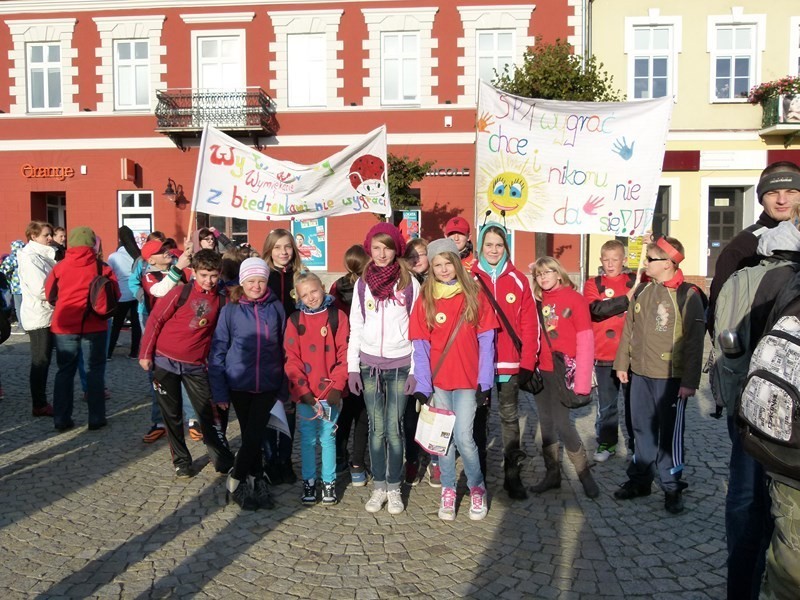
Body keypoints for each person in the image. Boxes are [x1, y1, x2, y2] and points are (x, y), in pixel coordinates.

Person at [712, 162, 800, 598]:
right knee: (749, 500)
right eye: (773, 192)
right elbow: (721, 323)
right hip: (752, 396)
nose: (783, 199)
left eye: (792, 191)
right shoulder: (742, 249)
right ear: (762, 196)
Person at [613, 237, 705, 514]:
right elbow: (628, 329)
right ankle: (640, 479)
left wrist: (689, 381)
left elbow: (694, 342)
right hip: (640, 374)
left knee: (669, 436)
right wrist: (622, 363)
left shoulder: (688, 295)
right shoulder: (641, 290)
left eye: (650, 259)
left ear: (668, 263)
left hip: (670, 378)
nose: (645, 263)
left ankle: (671, 485)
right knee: (641, 429)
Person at [410, 238, 497, 520]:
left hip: (468, 381)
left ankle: (477, 488)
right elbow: (421, 348)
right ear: (431, 268)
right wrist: (423, 386)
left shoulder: (474, 293)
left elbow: (487, 341)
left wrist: (485, 382)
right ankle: (448, 489)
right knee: (443, 441)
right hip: (440, 382)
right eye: (438, 265)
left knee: (464, 437)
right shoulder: (426, 298)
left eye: (448, 263)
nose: (444, 269)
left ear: (457, 264)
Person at [138, 249, 235, 478]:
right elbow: (156, 320)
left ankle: (220, 458)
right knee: (171, 415)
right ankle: (181, 460)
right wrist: (145, 353)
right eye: (203, 275)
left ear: (219, 274)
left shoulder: (222, 299)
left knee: (207, 414)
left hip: (196, 365)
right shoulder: (180, 292)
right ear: (194, 272)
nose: (208, 280)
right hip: (165, 360)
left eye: (213, 275)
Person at [348, 222, 419, 514]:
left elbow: (418, 329)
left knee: (394, 428)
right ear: (369, 249)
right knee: (376, 430)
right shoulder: (362, 283)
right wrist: (353, 366)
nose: (381, 253)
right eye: (376, 248)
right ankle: (378, 486)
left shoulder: (409, 283)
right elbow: (356, 324)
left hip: (400, 365)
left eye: (387, 247)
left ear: (396, 249)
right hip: (369, 365)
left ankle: (394, 486)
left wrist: (415, 369)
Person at [209, 257, 286, 510]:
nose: (256, 286)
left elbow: (285, 347)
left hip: (268, 382)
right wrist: (219, 390)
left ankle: (236, 479)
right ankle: (255, 479)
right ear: (242, 283)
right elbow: (219, 350)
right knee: (250, 434)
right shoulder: (230, 310)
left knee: (254, 435)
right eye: (251, 281)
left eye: (261, 281)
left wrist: (284, 385)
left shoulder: (276, 308)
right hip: (238, 383)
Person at [472, 223, 540, 499]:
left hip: (510, 364)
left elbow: (529, 324)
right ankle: (480, 479)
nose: (493, 249)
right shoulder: (470, 278)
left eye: (498, 245)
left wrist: (527, 362)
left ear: (506, 247)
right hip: (479, 366)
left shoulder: (519, 279)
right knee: (479, 419)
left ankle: (513, 476)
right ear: (480, 246)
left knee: (510, 419)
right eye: (488, 244)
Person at [529, 256, 599, 499]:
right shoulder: (537, 301)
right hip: (542, 370)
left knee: (562, 423)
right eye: (539, 274)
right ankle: (552, 474)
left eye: (548, 272)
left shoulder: (575, 299)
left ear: (559, 273)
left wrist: (582, 381)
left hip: (565, 371)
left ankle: (584, 473)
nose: (544, 277)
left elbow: (586, 340)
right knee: (546, 423)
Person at [45, 226, 120, 431]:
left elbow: (50, 294)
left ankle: (61, 418)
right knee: (94, 371)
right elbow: (116, 295)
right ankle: (96, 417)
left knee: (64, 372)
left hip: (64, 326)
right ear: (91, 244)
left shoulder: (60, 266)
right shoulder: (101, 267)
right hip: (95, 325)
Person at [285, 272, 349, 506]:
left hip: (330, 393)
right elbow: (291, 359)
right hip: (305, 395)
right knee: (308, 440)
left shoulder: (337, 316)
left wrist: (337, 387)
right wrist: (304, 392)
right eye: (305, 294)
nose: (311, 297)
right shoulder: (294, 321)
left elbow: (344, 354)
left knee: (328, 439)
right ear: (298, 297)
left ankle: (328, 481)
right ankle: (309, 480)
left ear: (322, 288)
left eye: (314, 291)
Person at [138, 237, 201, 443]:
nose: (166, 251)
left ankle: (193, 420)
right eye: (160, 250)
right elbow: (159, 291)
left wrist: (191, 257)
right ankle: (159, 421)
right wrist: (179, 268)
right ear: (151, 260)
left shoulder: (179, 268)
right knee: (159, 381)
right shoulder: (149, 275)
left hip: (182, 333)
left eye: (166, 248)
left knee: (186, 376)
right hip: (158, 335)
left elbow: (199, 281)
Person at [582, 240, 637, 461]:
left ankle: (636, 444)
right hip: (604, 354)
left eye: (615, 259)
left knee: (634, 404)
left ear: (624, 260)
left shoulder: (634, 280)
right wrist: (625, 300)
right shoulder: (593, 283)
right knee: (607, 405)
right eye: (606, 259)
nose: (611, 264)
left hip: (632, 355)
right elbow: (596, 310)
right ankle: (606, 443)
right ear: (600, 260)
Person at [262, 228, 305, 484]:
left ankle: (285, 460)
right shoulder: (262, 277)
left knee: (290, 407)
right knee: (268, 407)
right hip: (267, 351)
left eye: (287, 246)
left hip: (294, 353)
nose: (283, 252)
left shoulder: (301, 276)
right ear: (269, 250)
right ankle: (269, 459)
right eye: (277, 247)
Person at [329, 244, 371, 487]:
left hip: (343, 355)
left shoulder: (337, 286)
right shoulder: (366, 286)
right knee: (362, 414)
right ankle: (357, 463)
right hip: (363, 354)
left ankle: (339, 455)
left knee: (344, 412)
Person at [16, 223, 56, 416]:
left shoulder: (43, 255)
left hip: (47, 312)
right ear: (33, 236)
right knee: (40, 360)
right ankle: (39, 403)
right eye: (46, 235)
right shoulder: (30, 258)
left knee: (45, 359)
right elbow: (41, 289)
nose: (50, 238)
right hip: (39, 314)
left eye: (50, 235)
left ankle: (41, 400)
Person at [400, 237, 431, 485]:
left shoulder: (440, 280)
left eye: (421, 254)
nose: (416, 259)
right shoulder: (402, 283)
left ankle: (434, 459)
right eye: (411, 255)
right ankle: (411, 459)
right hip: (411, 355)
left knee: (436, 412)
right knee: (411, 416)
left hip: (436, 356)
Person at [107, 226, 142, 359]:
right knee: (136, 324)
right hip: (137, 294)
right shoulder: (138, 254)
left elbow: (110, 275)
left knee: (116, 324)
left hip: (121, 295)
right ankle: (134, 353)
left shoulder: (114, 256)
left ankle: (108, 352)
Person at [1, 240, 26, 334]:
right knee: (26, 306)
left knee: (19, 307)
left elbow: (3, 270)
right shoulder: (26, 257)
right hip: (27, 286)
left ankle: (21, 326)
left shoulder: (12, 258)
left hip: (16, 286)